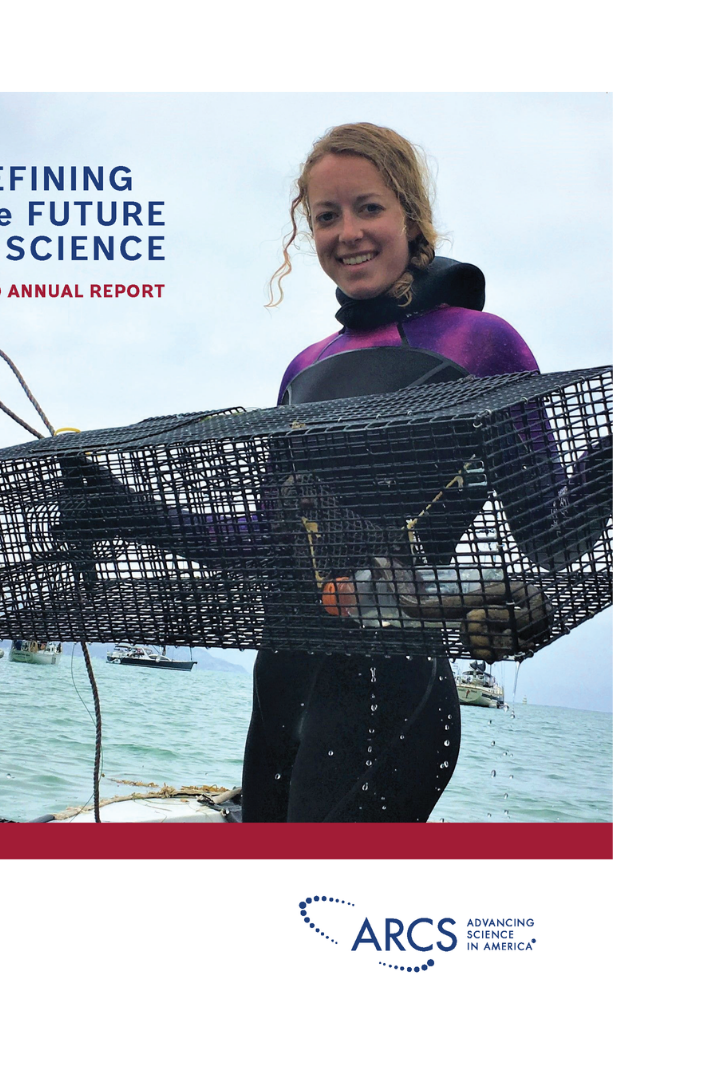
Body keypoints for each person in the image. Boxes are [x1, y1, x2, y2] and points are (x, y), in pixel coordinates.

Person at [240, 123, 548, 824]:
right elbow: (264, 546)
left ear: (411, 217)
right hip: (282, 688)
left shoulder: (481, 343)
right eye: (327, 215)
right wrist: (119, 509)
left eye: (369, 207)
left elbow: (548, 536)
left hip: (393, 696)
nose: (348, 233)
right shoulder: (304, 368)